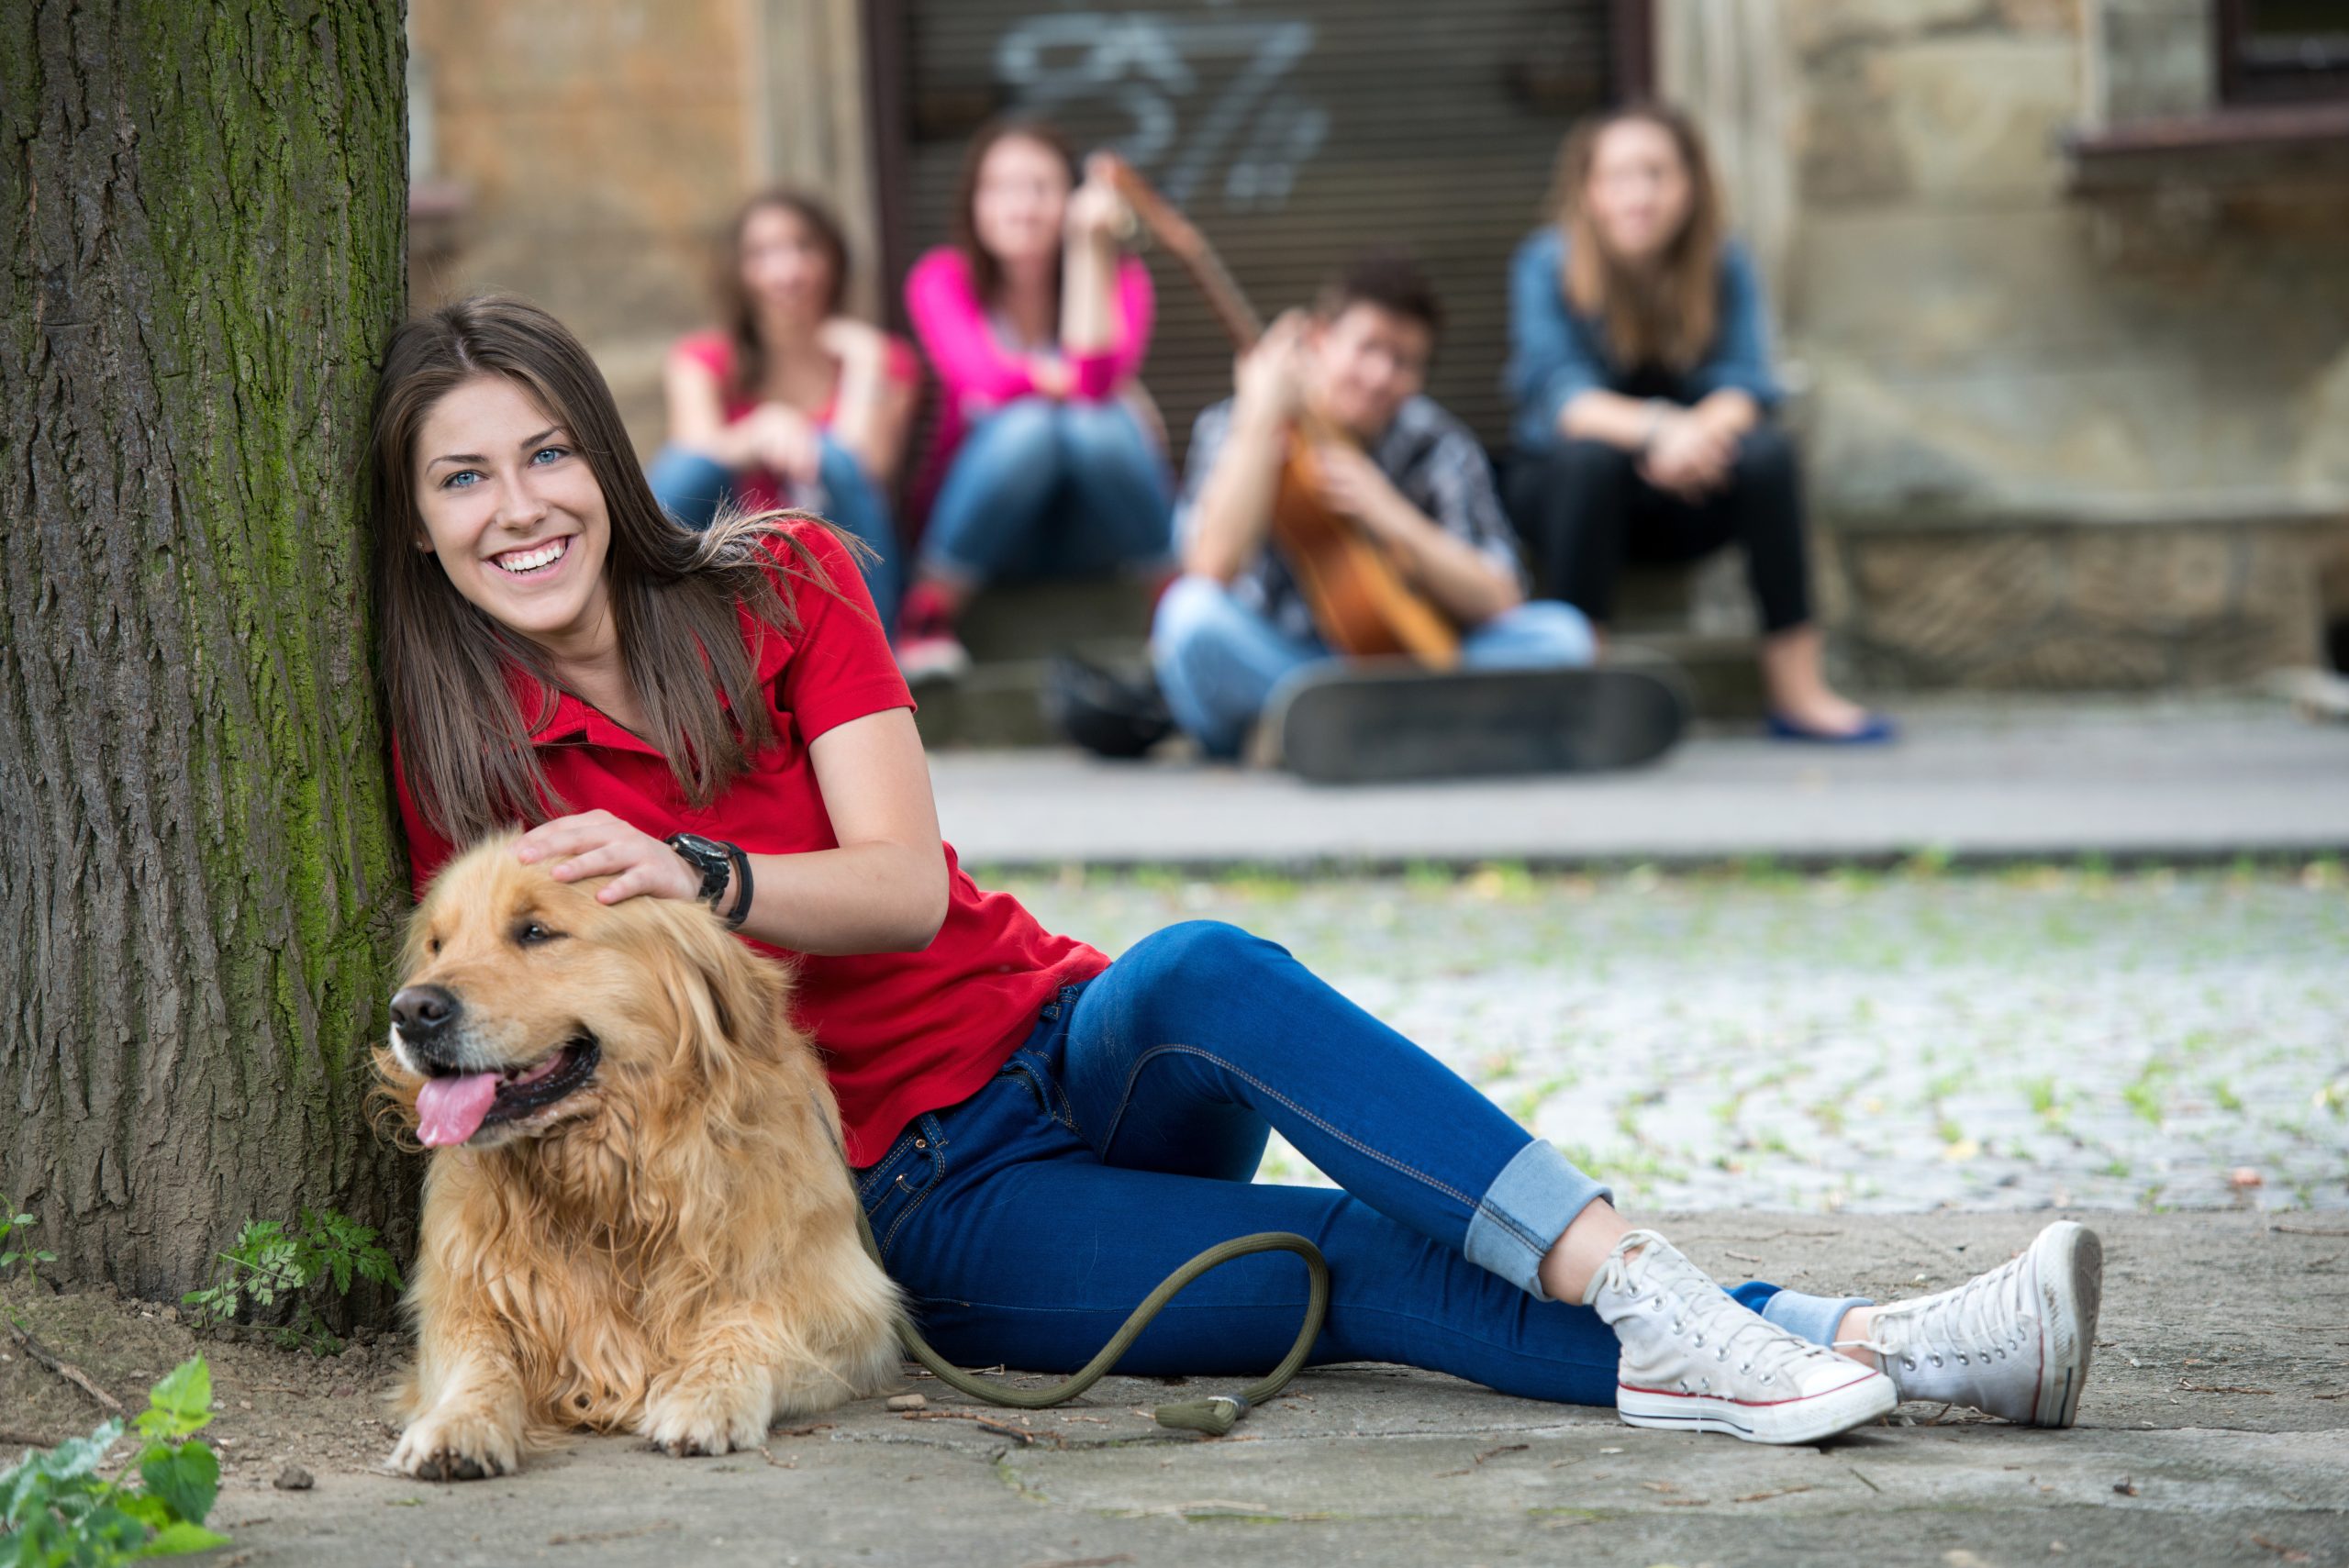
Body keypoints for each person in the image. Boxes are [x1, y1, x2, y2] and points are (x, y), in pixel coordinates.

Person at [369, 294, 2102, 1454]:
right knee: (1354, 1261)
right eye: (463, 478)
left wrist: (696, 867)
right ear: (424, 524)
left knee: (1199, 964)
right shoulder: (472, 757)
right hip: (921, 1191)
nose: (517, 505)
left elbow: (899, 885)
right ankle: (1882, 1340)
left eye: (543, 454)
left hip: (1066, 1047)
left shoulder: (784, 579)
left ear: (605, 456)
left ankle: (1658, 1292)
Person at [1504, 105, 1889, 743]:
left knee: (1767, 456)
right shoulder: (1545, 263)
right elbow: (1561, 398)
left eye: (1657, 172)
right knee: (1586, 460)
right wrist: (1661, 430)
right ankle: (1578, 688)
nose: (1640, 193)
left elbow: (1746, 382)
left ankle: (1798, 690)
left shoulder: (1723, 263)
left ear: (1690, 184)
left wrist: (1694, 438)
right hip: (1573, 500)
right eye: (1619, 175)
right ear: (1591, 191)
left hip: (1683, 492)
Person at [1153, 252, 1598, 761]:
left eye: (1404, 361)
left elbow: (1499, 595)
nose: (1381, 375)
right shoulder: (1232, 425)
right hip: (1278, 660)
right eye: (1368, 348)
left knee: (1564, 638)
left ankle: (1326, 731)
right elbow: (1209, 568)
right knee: (1187, 619)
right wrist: (1257, 425)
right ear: (1319, 341)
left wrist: (1390, 514)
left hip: (1410, 669)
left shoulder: (1437, 443)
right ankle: (1404, 727)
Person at [899, 119, 1174, 677]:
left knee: (1094, 423)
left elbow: (1095, 383)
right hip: (990, 534)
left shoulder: (1123, 278)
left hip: (1091, 531)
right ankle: (926, 616)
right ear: (974, 203)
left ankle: (1171, 607)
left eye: (1041, 188)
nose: (1021, 206)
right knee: (1030, 426)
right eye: (1000, 188)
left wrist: (1089, 248)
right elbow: (986, 382)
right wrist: (1065, 380)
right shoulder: (941, 279)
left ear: (1072, 201)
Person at [646, 189, 918, 623]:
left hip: (841, 573)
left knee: (833, 458)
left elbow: (864, 474)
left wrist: (864, 366)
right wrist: (760, 431)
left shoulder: (883, 360)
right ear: (738, 272)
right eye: (763, 253)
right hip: (735, 572)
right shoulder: (700, 361)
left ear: (834, 260)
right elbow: (686, 473)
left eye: (804, 248)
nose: (787, 271)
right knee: (685, 466)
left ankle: (878, 661)